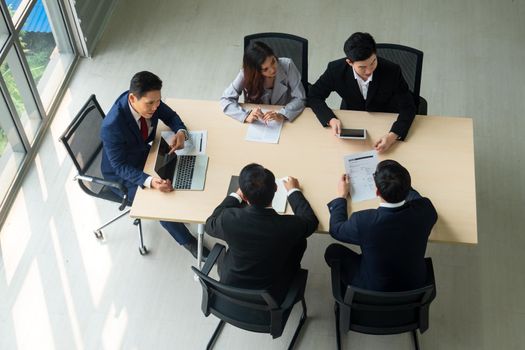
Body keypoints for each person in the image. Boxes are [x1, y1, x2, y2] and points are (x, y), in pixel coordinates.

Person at [100, 71, 209, 259]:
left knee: (184, 169)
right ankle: (188, 242)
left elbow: (171, 116)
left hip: (143, 154)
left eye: (157, 101)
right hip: (123, 175)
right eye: (150, 103)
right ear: (132, 98)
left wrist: (181, 131)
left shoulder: (150, 101)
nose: (155, 107)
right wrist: (150, 181)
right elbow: (119, 166)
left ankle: (188, 211)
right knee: (161, 202)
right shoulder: (112, 126)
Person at [205, 163, 318, 302]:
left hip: (230, 288)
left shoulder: (229, 219)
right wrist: (293, 191)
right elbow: (310, 221)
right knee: (300, 241)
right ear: (276, 189)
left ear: (245, 198)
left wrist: (236, 195)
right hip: (271, 295)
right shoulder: (288, 226)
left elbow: (210, 224)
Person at [324, 160, 437, 292]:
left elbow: (336, 229)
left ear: (377, 192)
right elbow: (417, 199)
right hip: (414, 283)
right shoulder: (425, 210)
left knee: (333, 251)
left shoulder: (363, 221)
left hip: (374, 287)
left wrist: (341, 196)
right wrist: (399, 182)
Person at [309, 32, 416, 153]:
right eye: (362, 67)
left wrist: (393, 136)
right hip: (352, 120)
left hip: (385, 118)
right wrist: (330, 119)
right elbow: (314, 95)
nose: (369, 70)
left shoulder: (392, 71)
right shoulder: (335, 70)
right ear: (350, 62)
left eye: (373, 62)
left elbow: (408, 107)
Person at [220, 41, 306, 124]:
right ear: (256, 71)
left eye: (273, 61)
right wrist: (245, 115)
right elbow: (226, 99)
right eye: (265, 69)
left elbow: (300, 98)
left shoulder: (288, 65)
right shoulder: (245, 74)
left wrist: (282, 114)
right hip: (258, 121)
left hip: (282, 118)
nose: (273, 70)